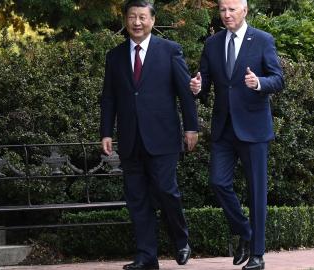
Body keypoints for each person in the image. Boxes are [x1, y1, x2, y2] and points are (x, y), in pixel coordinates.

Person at [100, 1, 198, 269]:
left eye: (142, 17)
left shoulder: (170, 51)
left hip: (163, 137)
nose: (137, 22)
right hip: (131, 139)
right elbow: (109, 98)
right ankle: (146, 256)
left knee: (167, 191)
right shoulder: (115, 56)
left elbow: (185, 93)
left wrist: (191, 127)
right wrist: (106, 132)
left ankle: (181, 240)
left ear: (153, 21)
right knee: (137, 199)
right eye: (132, 17)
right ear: (125, 20)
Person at [190, 0, 284, 269]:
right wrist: (197, 87)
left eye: (232, 9)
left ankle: (257, 255)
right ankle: (245, 231)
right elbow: (205, 82)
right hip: (224, 128)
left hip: (254, 128)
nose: (227, 14)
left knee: (257, 193)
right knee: (218, 182)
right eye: (222, 10)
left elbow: (278, 79)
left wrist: (259, 83)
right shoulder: (212, 43)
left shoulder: (263, 40)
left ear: (244, 11)